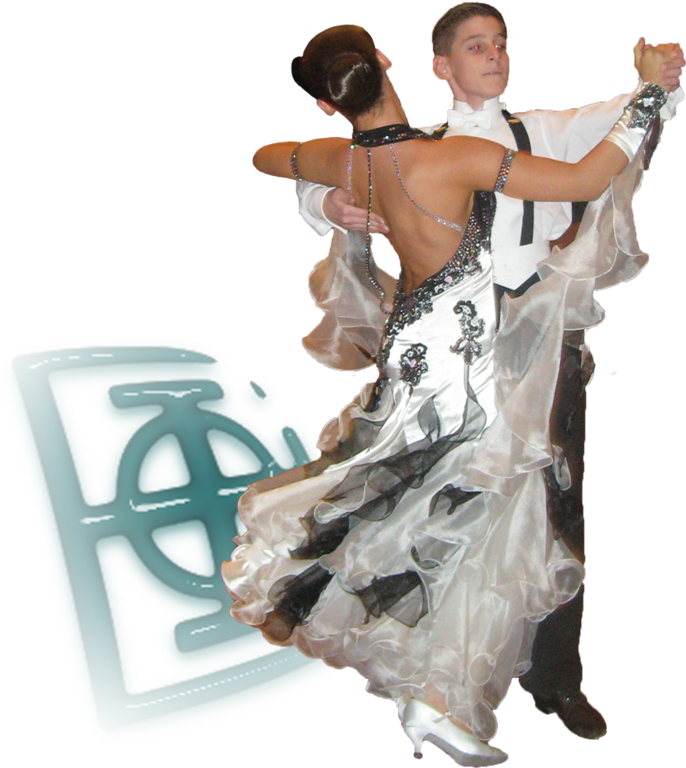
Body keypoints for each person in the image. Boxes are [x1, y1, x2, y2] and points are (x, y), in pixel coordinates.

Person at [225, 23, 671, 768]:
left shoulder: (347, 156)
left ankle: (430, 684)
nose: (493, 53)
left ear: (329, 103)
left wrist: (336, 190)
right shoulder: (453, 155)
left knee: (421, 510)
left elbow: (267, 156)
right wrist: (650, 94)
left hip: (412, 361)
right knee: (482, 520)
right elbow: (586, 180)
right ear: (390, 62)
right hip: (472, 369)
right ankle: (430, 692)